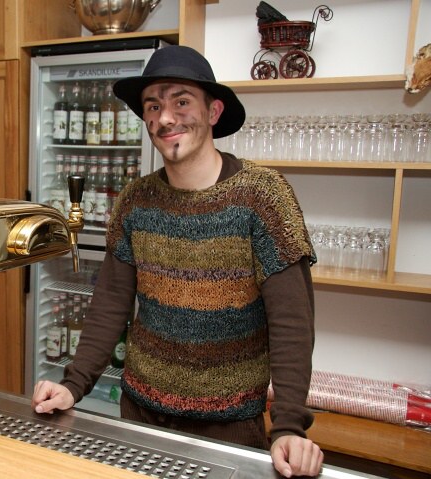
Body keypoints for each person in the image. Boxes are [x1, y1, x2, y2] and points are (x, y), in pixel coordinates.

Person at [31, 45, 323, 478]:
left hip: (229, 428)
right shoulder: (135, 200)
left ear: (214, 111)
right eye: (153, 106)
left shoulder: (263, 196)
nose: (166, 118)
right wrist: (74, 384)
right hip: (139, 414)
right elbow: (110, 303)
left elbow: (292, 321)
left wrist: (289, 426)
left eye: (181, 102)